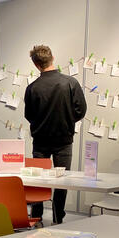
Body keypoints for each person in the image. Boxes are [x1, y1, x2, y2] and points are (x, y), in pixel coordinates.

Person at [25, 45, 87, 224]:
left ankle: (36, 216)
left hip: (40, 140)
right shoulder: (70, 83)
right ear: (52, 58)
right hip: (64, 140)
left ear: (36, 64)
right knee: (62, 181)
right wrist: (67, 121)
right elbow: (81, 110)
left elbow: (29, 115)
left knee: (38, 180)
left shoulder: (32, 87)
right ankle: (57, 216)